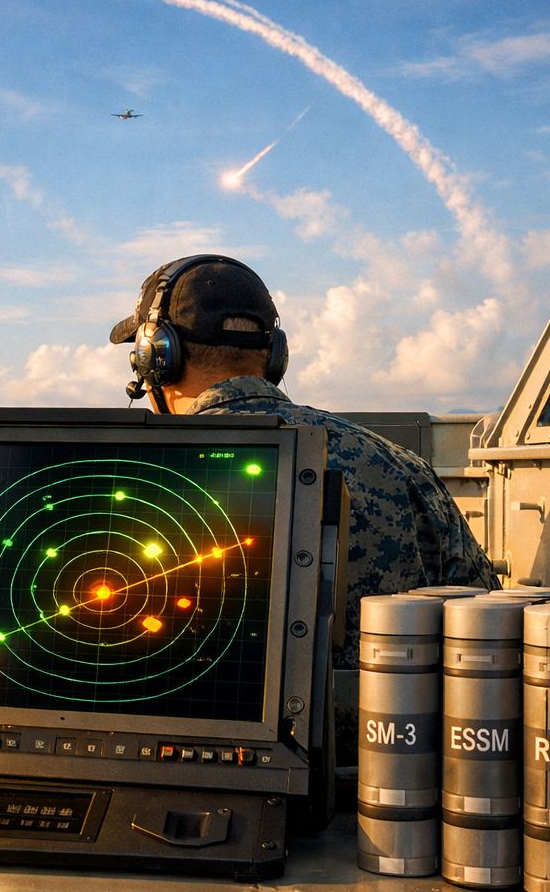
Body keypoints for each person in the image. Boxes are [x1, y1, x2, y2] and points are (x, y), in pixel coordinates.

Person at [108, 253, 498, 671]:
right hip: (377, 734)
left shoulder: (128, 488)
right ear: (276, 355)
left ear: (156, 358)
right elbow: (485, 627)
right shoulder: (406, 470)